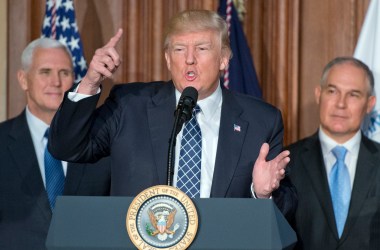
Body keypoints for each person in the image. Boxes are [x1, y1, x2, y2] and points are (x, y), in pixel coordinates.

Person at [48, 10, 297, 220]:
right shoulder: (130, 105)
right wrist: (90, 83)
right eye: (179, 49)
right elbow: (67, 147)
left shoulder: (261, 121)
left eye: (201, 48)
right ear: (168, 59)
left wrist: (261, 194)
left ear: (223, 59)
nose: (189, 59)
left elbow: (286, 210)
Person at [0, 38, 111, 250]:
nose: (56, 82)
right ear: (23, 80)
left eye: (64, 73)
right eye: (45, 72)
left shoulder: (102, 142)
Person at [286, 56, 380, 249]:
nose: (341, 104)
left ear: (370, 104)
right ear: (318, 94)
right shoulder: (286, 162)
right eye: (332, 91)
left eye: (353, 94)